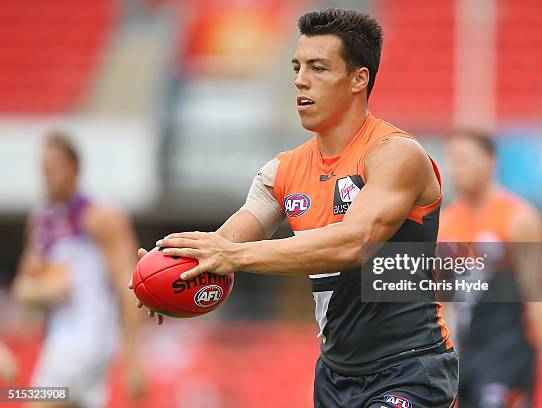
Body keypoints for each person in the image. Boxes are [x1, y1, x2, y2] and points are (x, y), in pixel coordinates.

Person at [133, 8, 458, 408]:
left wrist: (232, 255)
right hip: (335, 376)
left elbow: (354, 243)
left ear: (359, 79)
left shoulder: (396, 154)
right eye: (297, 67)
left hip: (409, 369)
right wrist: (170, 269)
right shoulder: (280, 171)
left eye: (318, 68)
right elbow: (221, 245)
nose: (301, 81)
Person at [438, 129, 542, 408]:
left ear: (490, 162)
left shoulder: (519, 220)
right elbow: (444, 304)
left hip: (509, 352)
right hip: (464, 356)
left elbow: (540, 296)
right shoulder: (445, 225)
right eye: (452, 161)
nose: (456, 170)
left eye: (464, 160)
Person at [12, 133, 145, 408]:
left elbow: (130, 284)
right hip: (58, 339)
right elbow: (22, 290)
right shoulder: (41, 221)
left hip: (89, 339)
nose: (47, 176)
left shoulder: (100, 217)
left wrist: (133, 356)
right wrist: (43, 290)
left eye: (53, 168)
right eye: (43, 169)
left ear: (74, 168)